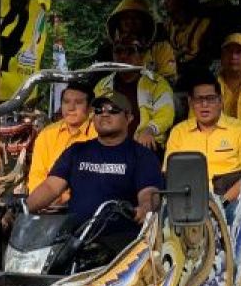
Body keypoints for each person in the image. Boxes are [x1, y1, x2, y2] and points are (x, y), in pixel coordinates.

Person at [26, 91, 164, 257]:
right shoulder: (76, 151)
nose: (104, 113)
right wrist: (24, 208)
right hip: (75, 241)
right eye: (99, 110)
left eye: (113, 110)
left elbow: (149, 193)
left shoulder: (142, 155)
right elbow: (50, 186)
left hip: (122, 247)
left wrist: (145, 209)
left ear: (129, 118)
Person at [165, 71, 241, 205]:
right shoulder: (179, 132)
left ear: (221, 101)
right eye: (199, 99)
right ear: (190, 102)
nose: (204, 104)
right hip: (190, 200)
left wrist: (222, 203)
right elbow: (171, 174)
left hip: (230, 200)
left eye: (210, 99)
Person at [94, 36, 175, 151]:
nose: (123, 56)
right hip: (109, 146)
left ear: (141, 56)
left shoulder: (157, 83)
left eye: (130, 51)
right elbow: (93, 116)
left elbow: (166, 115)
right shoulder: (103, 85)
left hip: (145, 145)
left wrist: (149, 130)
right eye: (118, 51)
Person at [26, 83, 96, 201]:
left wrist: (65, 198)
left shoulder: (98, 134)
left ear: (90, 108)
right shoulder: (47, 134)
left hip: (86, 205)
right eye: (66, 102)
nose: (71, 108)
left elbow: (96, 181)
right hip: (47, 205)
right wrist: (46, 199)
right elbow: (37, 175)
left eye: (78, 102)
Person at [104, 0, 177, 83]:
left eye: (136, 18)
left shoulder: (161, 48)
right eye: (126, 17)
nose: (130, 21)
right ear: (118, 22)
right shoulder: (107, 50)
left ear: (145, 22)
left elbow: (168, 80)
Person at [161, 0, 214, 87]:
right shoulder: (168, 26)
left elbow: (207, 58)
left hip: (198, 77)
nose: (165, 2)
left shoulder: (204, 25)